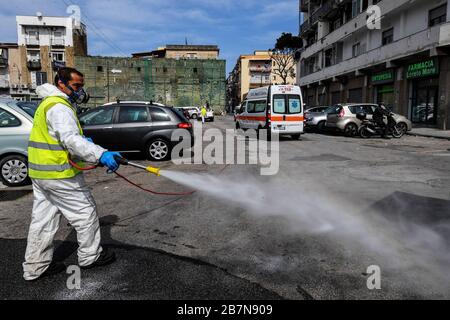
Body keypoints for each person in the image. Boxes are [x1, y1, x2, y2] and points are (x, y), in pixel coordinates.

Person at [23, 67, 121, 281]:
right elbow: (70, 140)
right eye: (76, 86)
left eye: (81, 86)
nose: (80, 91)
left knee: (43, 220)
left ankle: (35, 266)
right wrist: (100, 154)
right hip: (60, 174)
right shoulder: (60, 107)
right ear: (61, 83)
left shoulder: (48, 103)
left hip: (41, 174)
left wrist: (85, 143)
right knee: (86, 213)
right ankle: (90, 256)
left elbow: (58, 137)